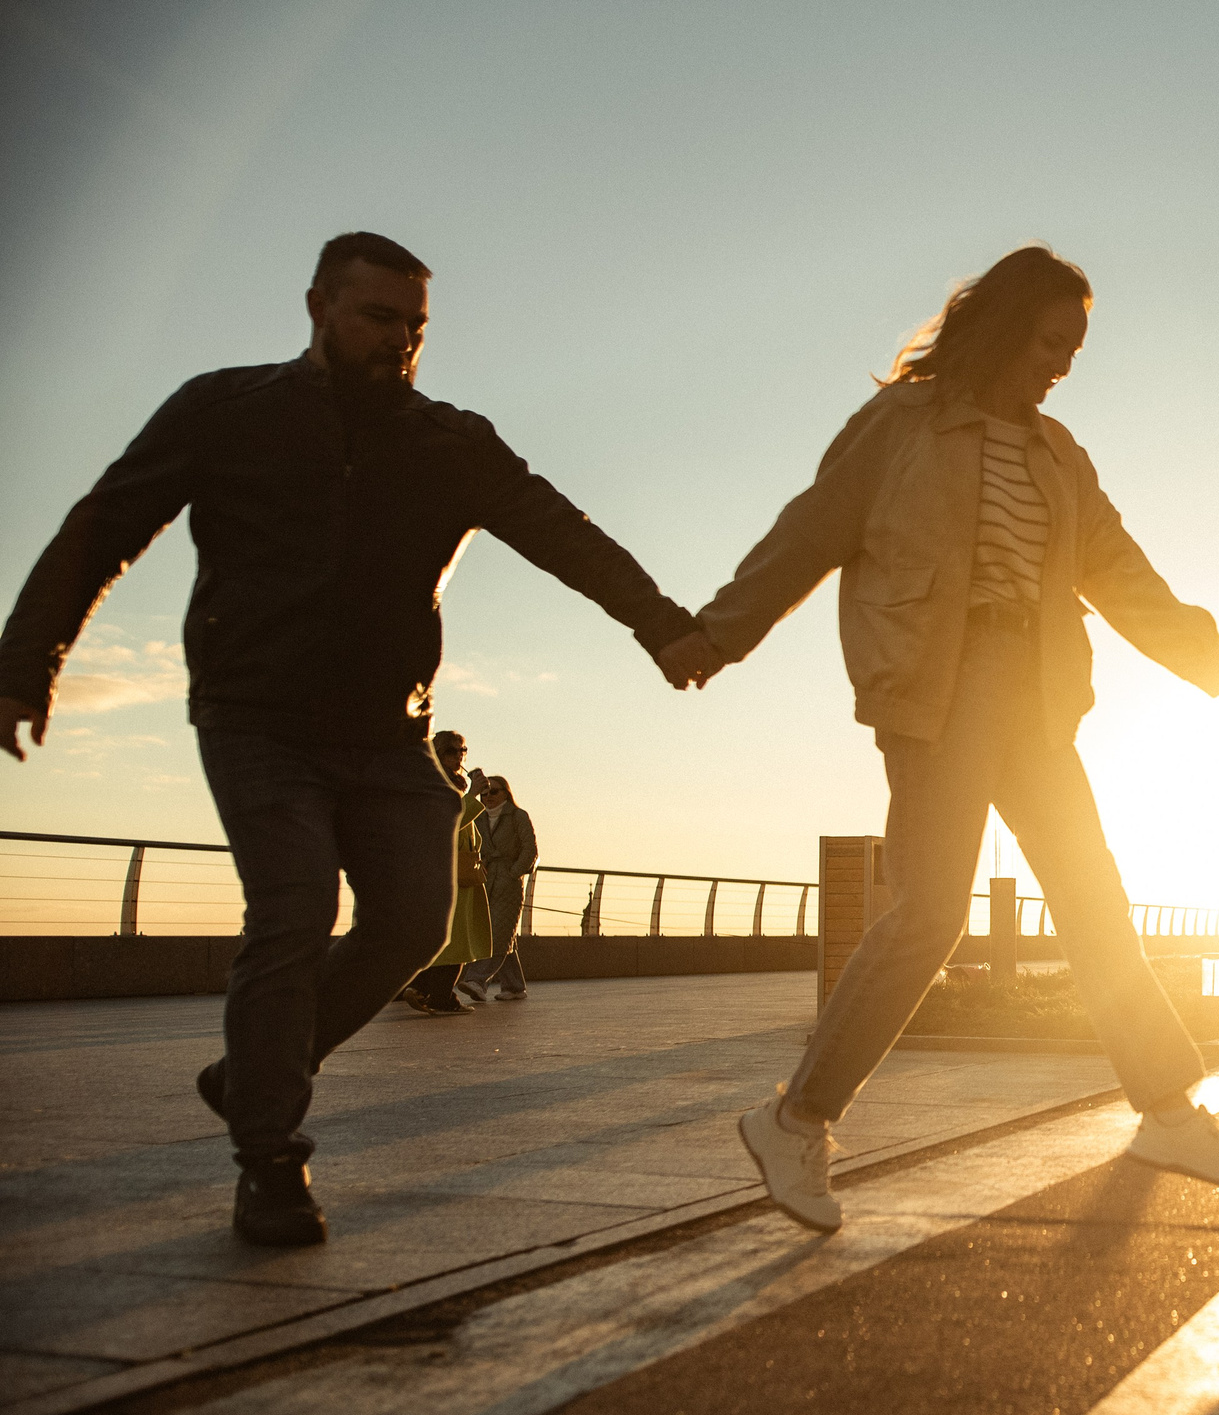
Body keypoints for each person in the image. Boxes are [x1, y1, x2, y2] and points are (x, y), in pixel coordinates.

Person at [0, 232, 709, 1246]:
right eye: (380, 318)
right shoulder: (226, 411)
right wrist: (24, 665)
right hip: (256, 716)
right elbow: (101, 526)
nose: (400, 341)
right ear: (318, 307)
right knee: (293, 908)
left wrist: (662, 624)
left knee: (414, 917)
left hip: (389, 729)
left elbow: (565, 534)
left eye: (416, 326)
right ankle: (270, 1159)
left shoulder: (450, 441)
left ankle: (254, 1073)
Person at [688, 245, 1219, 1234]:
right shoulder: (901, 427)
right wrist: (718, 634)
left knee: (1093, 899)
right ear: (1002, 328)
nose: (1064, 364)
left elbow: (1132, 584)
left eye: (1075, 348)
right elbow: (810, 533)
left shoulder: (1059, 456)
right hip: (939, 686)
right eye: (1051, 341)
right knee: (931, 914)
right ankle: (795, 1120)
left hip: (1036, 696)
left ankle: (1169, 1112)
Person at [402, 730, 489, 1014]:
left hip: (459, 872)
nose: (459, 757)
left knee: (454, 940)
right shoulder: (431, 784)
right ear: (436, 754)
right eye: (451, 751)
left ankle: (428, 991)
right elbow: (446, 824)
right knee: (454, 941)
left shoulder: (453, 784)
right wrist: (473, 796)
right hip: (446, 874)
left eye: (463, 750)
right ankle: (437, 996)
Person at [463, 774, 538, 1001]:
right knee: (504, 934)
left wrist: (514, 872)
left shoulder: (518, 816)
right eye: (484, 793)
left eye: (494, 791)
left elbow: (530, 849)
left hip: (508, 882)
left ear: (506, 792)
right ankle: (514, 987)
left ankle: (476, 980)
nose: (488, 797)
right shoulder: (478, 818)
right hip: (485, 881)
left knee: (497, 932)